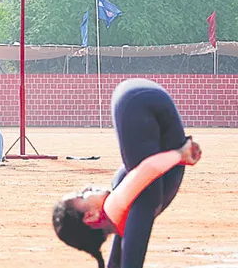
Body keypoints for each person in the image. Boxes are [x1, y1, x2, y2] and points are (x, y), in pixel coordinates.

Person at [52, 79, 202, 268]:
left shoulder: (117, 208)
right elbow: (145, 169)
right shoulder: (117, 212)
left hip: (138, 103)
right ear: (91, 216)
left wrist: (180, 155)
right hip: (137, 101)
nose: (87, 188)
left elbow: (144, 170)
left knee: (145, 196)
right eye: (82, 195)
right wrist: (179, 155)